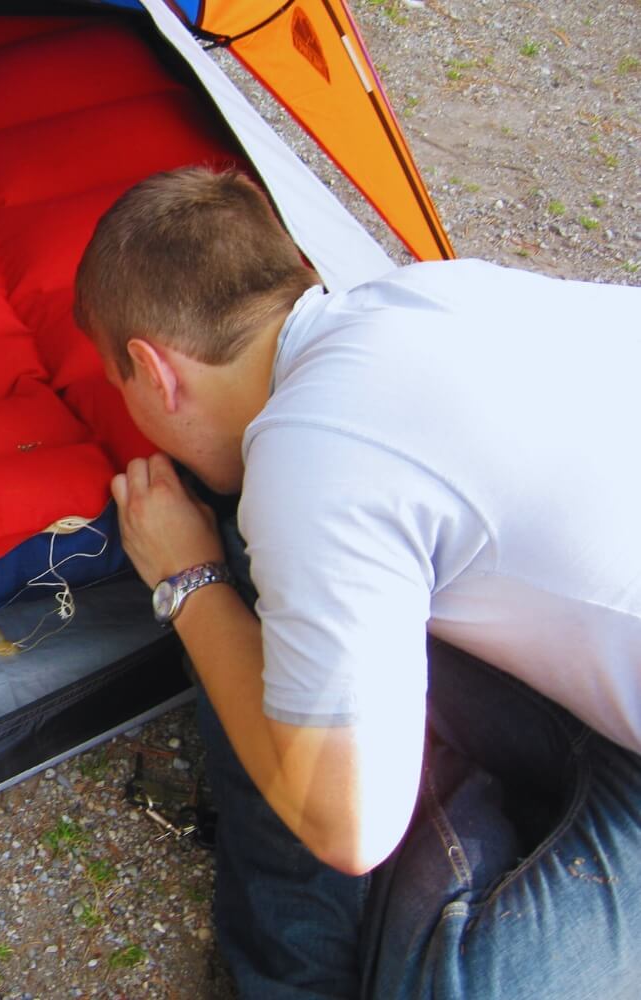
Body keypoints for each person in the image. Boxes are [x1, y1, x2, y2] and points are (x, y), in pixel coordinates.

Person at [72, 166, 641, 999]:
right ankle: (402, 751)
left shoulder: (312, 454)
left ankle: (417, 781)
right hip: (605, 665)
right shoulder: (436, 291)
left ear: (153, 372)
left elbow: (349, 833)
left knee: (451, 985)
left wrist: (189, 583)